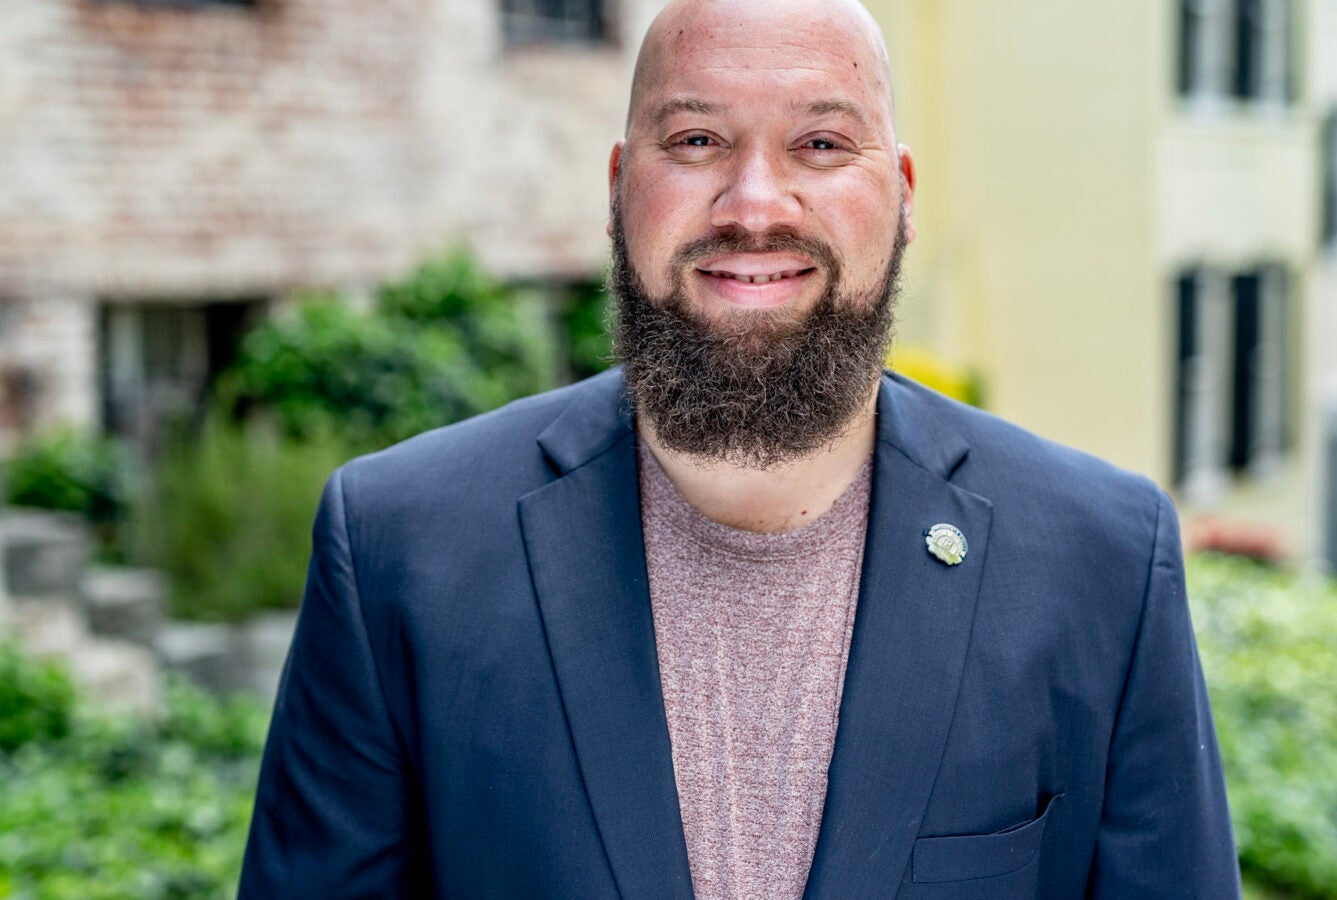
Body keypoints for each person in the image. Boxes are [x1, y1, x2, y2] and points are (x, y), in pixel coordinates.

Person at [239, 0, 1241, 896]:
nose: (754, 203)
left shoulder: (1100, 560)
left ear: (899, 193)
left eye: (818, 144)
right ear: (620, 186)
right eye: (697, 138)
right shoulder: (397, 550)